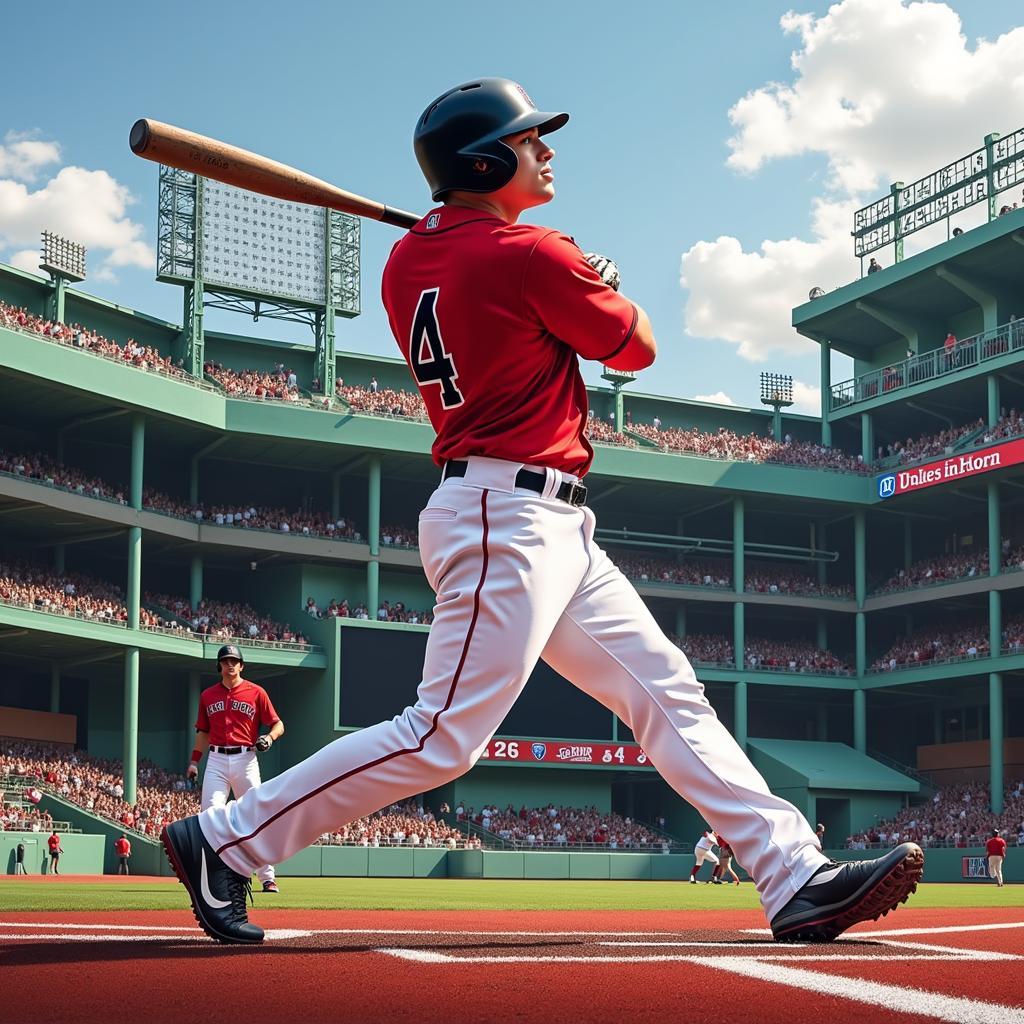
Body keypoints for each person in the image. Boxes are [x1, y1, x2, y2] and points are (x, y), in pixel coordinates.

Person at [161, 76, 923, 947]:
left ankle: (793, 875)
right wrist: (594, 276)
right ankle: (223, 837)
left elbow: (485, 279)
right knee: (442, 737)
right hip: (505, 514)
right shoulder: (531, 254)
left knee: (668, 696)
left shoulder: (413, 260)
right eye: (529, 141)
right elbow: (634, 345)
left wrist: (543, 257)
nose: (547, 149)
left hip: (543, 520)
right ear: (486, 160)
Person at [188, 644, 284, 894]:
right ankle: (215, 877)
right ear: (219, 666)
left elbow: (277, 724)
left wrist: (269, 739)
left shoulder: (256, 692)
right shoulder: (208, 695)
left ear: (241, 665)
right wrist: (194, 762)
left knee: (256, 815)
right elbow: (203, 732)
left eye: (234, 660)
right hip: (217, 760)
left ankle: (267, 877)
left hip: (246, 758)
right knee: (209, 816)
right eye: (225, 660)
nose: (230, 664)